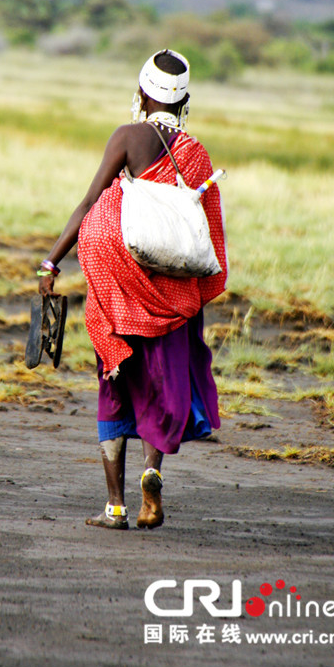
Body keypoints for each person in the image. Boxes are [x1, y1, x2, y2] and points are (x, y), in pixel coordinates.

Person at [37, 49, 227, 530]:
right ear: (184, 101)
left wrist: (50, 260)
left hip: (120, 292)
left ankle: (115, 507)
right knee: (163, 385)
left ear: (142, 93)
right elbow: (206, 231)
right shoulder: (196, 153)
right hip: (172, 293)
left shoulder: (128, 137)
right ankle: (152, 473)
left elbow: (89, 202)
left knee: (116, 383)